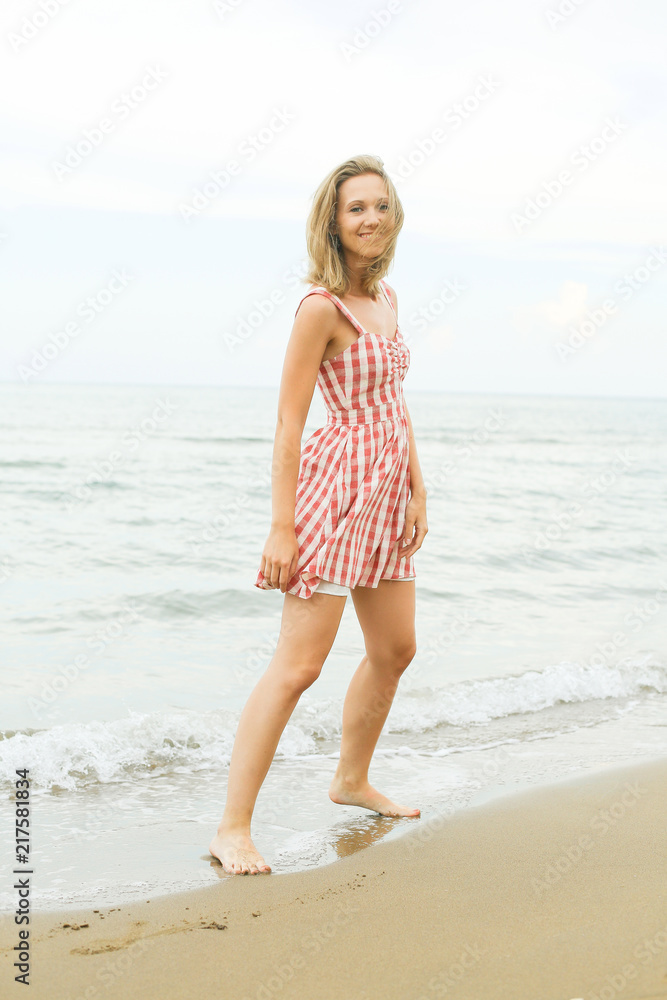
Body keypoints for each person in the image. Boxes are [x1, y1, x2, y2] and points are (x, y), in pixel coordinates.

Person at [209, 154, 428, 875]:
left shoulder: (387, 298)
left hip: (385, 498)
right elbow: (288, 422)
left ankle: (350, 780)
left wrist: (416, 488)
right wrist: (282, 525)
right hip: (332, 499)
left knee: (395, 650)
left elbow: (393, 404)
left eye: (379, 205)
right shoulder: (319, 309)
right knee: (297, 667)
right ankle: (232, 827)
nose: (370, 218)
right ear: (332, 223)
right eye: (354, 208)